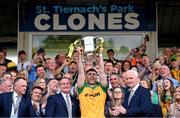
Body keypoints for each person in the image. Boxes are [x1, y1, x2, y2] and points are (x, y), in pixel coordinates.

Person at [77, 47, 108, 118]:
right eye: (89, 74)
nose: (92, 76)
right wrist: (79, 54)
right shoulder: (82, 87)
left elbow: (101, 71)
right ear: (86, 76)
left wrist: (100, 54)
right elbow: (81, 72)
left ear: (97, 76)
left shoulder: (102, 87)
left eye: (94, 74)